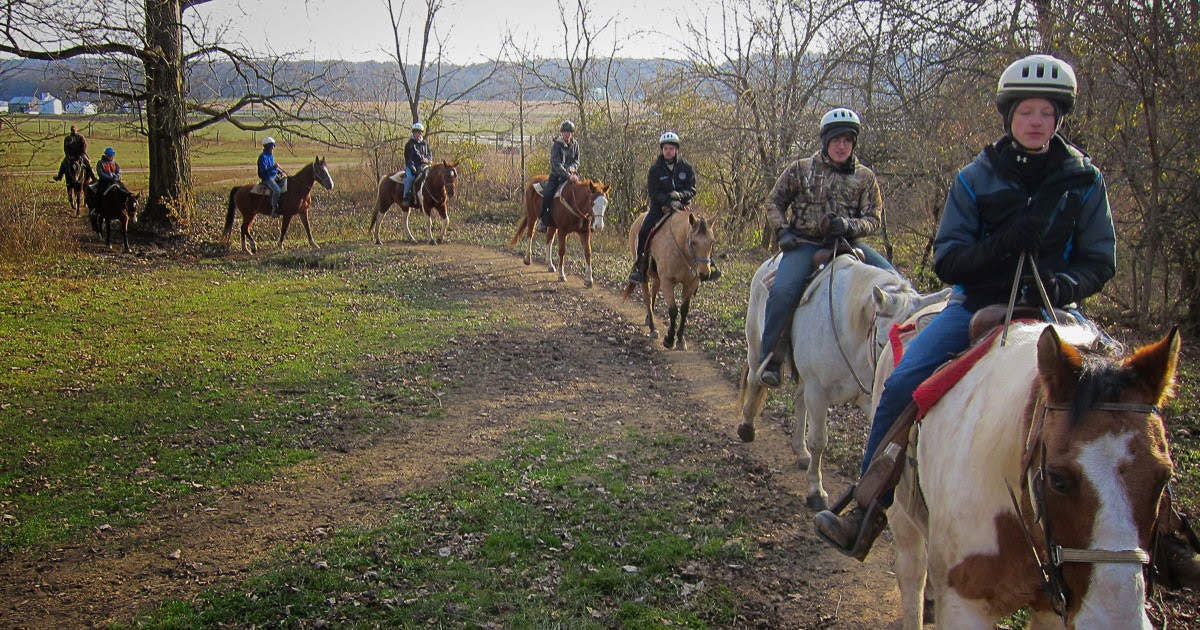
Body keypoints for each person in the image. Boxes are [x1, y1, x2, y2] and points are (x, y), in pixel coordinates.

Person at [813, 54, 1118, 560]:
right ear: (1009, 116)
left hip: (1054, 311)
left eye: (1046, 112)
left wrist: (1063, 285)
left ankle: (1162, 534)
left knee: (1130, 395)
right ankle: (866, 508)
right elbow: (948, 260)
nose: (1036, 121)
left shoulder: (1083, 180)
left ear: (1059, 117)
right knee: (901, 384)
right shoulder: (976, 177)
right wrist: (1000, 248)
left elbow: (1099, 259)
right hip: (978, 303)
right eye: (1027, 112)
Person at [757, 107, 898, 387]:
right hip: (804, 243)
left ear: (854, 142)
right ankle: (771, 358)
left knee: (895, 283)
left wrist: (848, 226)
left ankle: (893, 357)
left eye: (847, 140)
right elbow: (774, 202)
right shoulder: (800, 169)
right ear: (825, 141)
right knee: (783, 291)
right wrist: (782, 230)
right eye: (836, 140)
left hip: (848, 243)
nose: (842, 146)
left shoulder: (865, 177)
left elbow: (873, 218)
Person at [627, 131, 720, 283]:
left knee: (704, 232)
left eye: (671, 148)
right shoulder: (655, 169)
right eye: (665, 148)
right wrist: (669, 201)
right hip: (660, 208)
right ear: (662, 150)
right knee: (644, 231)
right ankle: (640, 267)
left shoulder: (686, 167)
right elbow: (653, 192)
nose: (668, 151)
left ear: (676, 150)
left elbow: (692, 189)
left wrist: (680, 195)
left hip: (683, 209)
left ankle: (710, 264)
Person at [537, 120, 581, 233]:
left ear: (572, 133)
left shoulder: (575, 145)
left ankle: (584, 221)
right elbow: (556, 164)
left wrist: (573, 167)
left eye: (570, 132)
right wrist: (567, 175)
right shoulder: (557, 145)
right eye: (565, 132)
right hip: (557, 177)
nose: (567, 134)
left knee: (585, 192)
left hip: (572, 175)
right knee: (547, 194)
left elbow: (577, 160)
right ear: (562, 133)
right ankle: (543, 221)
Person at [403, 122, 433, 205]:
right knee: (410, 178)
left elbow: (429, 154)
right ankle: (405, 196)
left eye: (419, 132)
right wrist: (421, 160)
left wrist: (427, 160)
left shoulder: (425, 144)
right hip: (412, 166)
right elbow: (413, 156)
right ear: (413, 133)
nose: (417, 134)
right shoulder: (410, 144)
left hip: (423, 166)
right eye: (416, 132)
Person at [258, 137, 285, 218]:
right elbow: (264, 171)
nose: (273, 148)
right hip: (267, 178)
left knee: (286, 182)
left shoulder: (270, 156)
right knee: (277, 190)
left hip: (274, 176)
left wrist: (280, 172)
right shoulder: (263, 157)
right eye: (272, 146)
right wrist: (274, 167)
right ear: (268, 146)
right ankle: (274, 210)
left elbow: (274, 169)